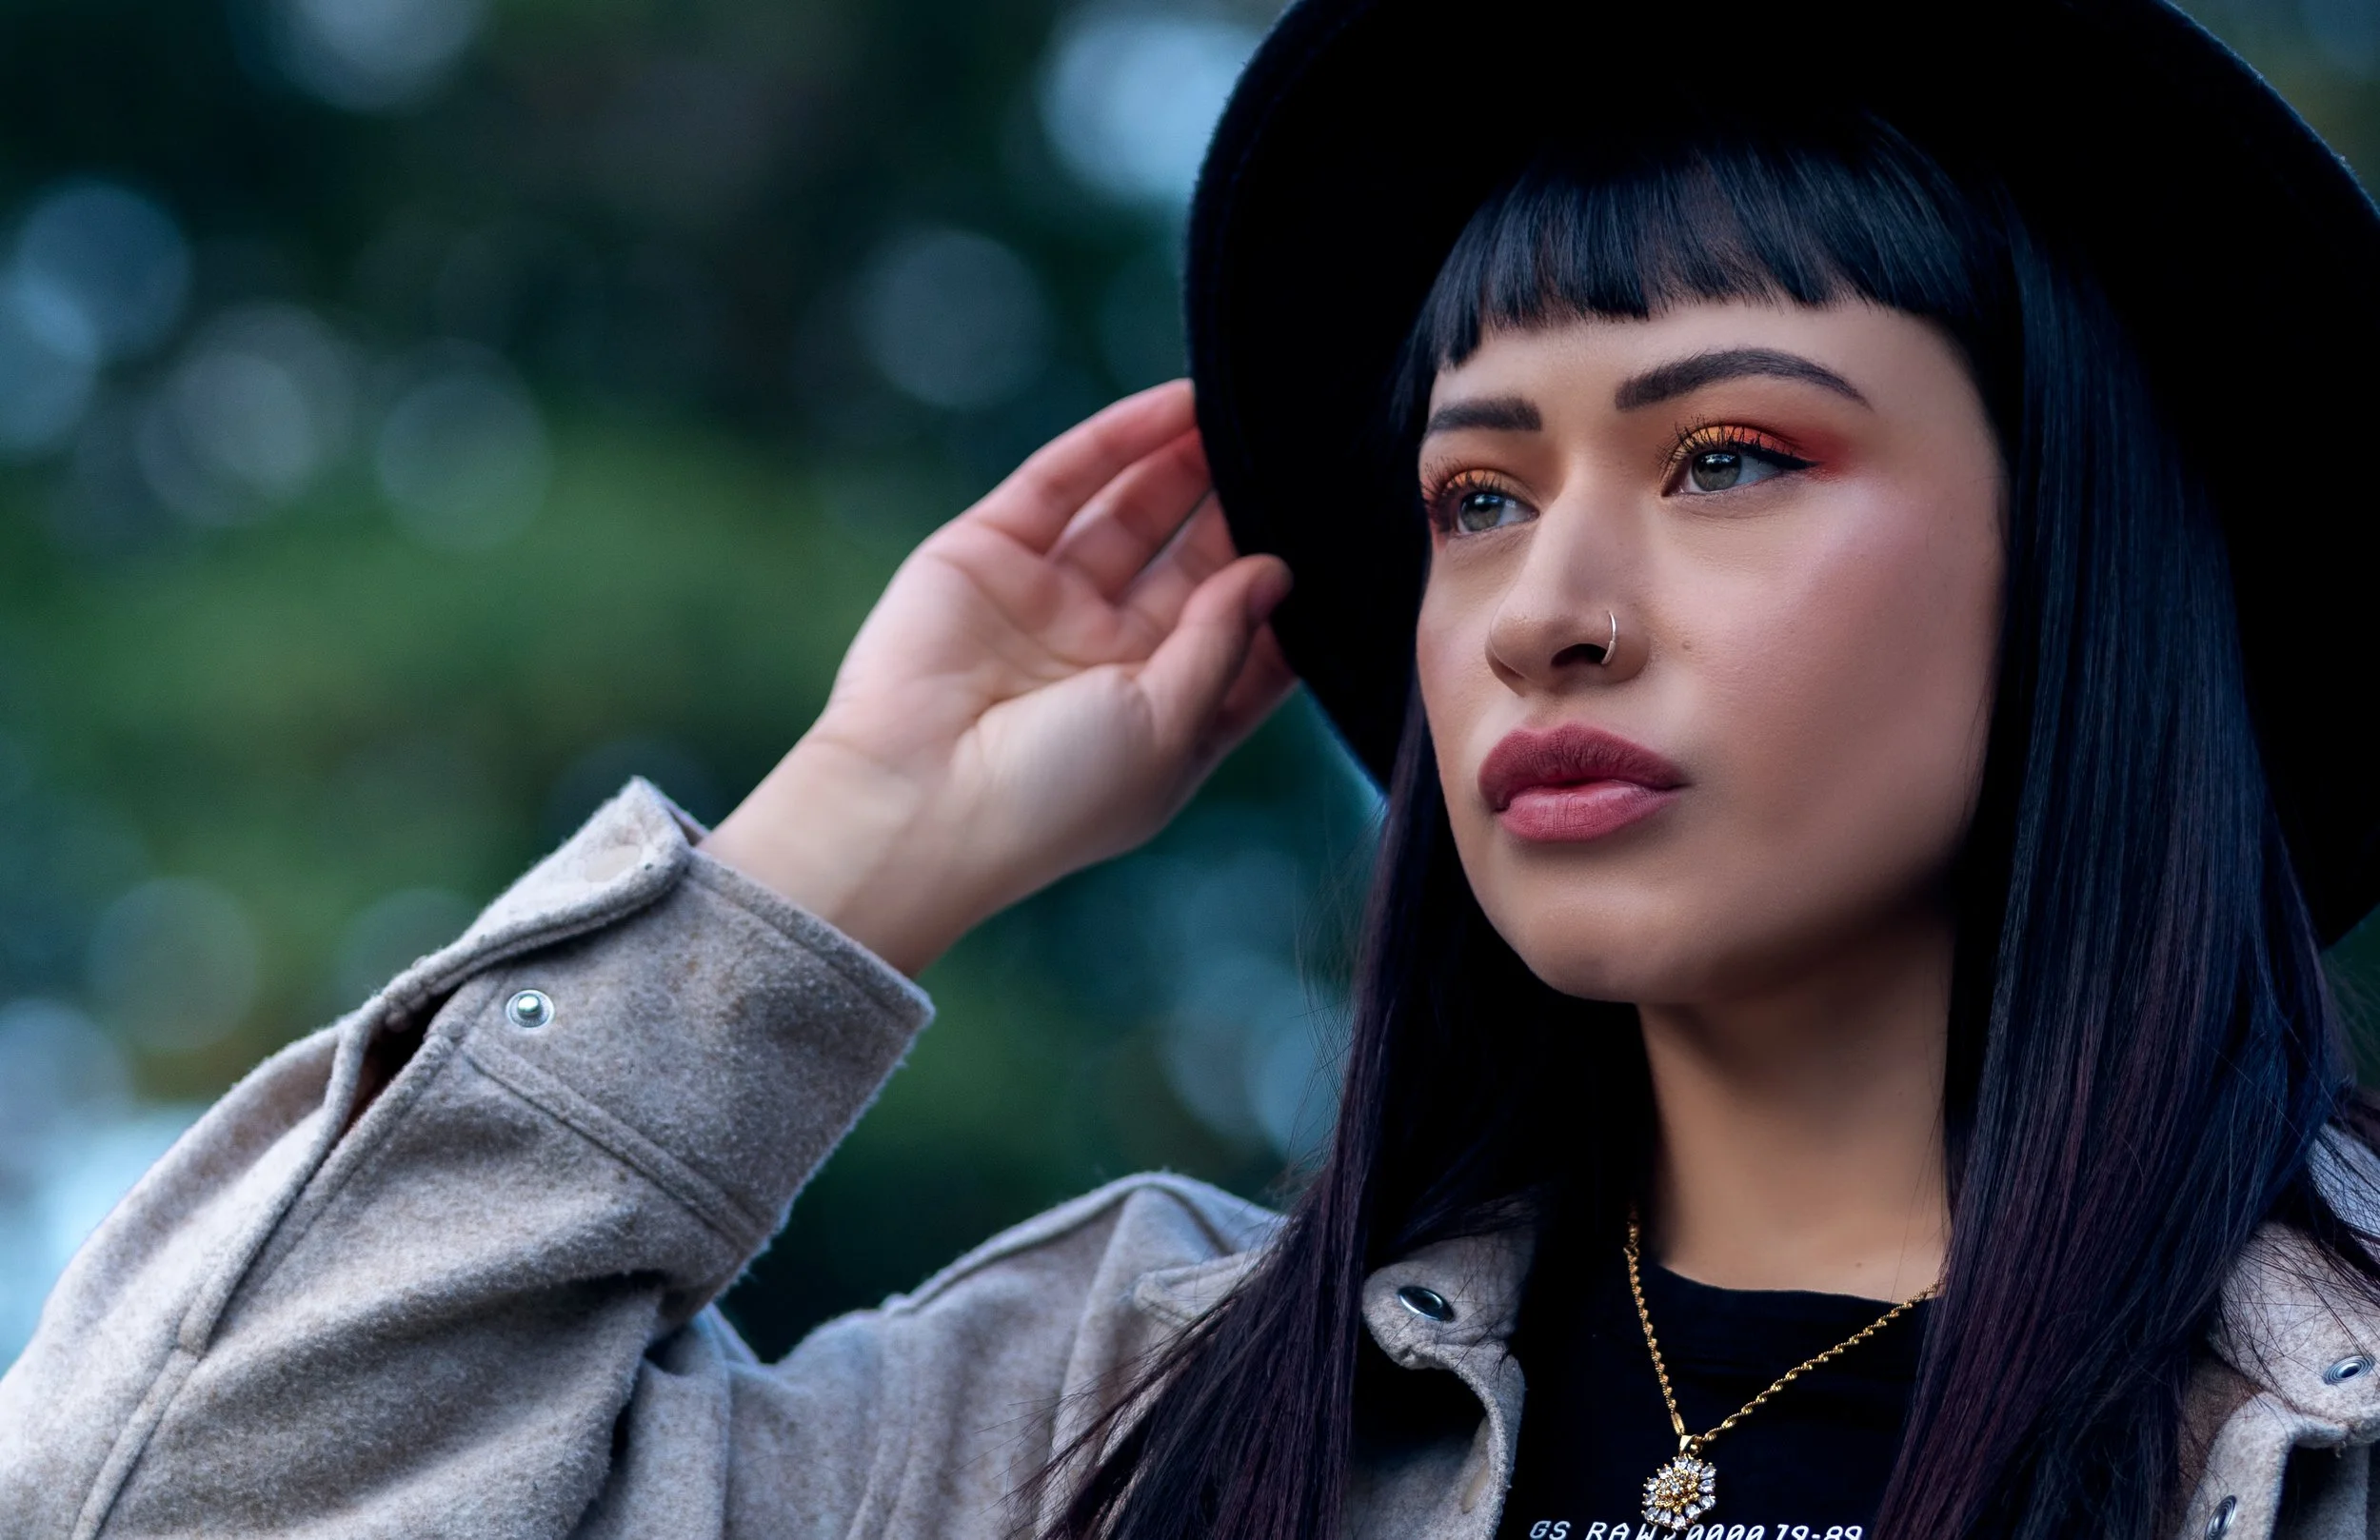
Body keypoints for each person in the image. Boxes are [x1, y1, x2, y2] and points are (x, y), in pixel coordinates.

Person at [4, 0, 2379, 1536]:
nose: (1548, 598)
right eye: (1471, 495)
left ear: (2079, 560)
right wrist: (836, 854)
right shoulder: (1094, 1418)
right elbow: (155, 1496)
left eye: (1728, 456)